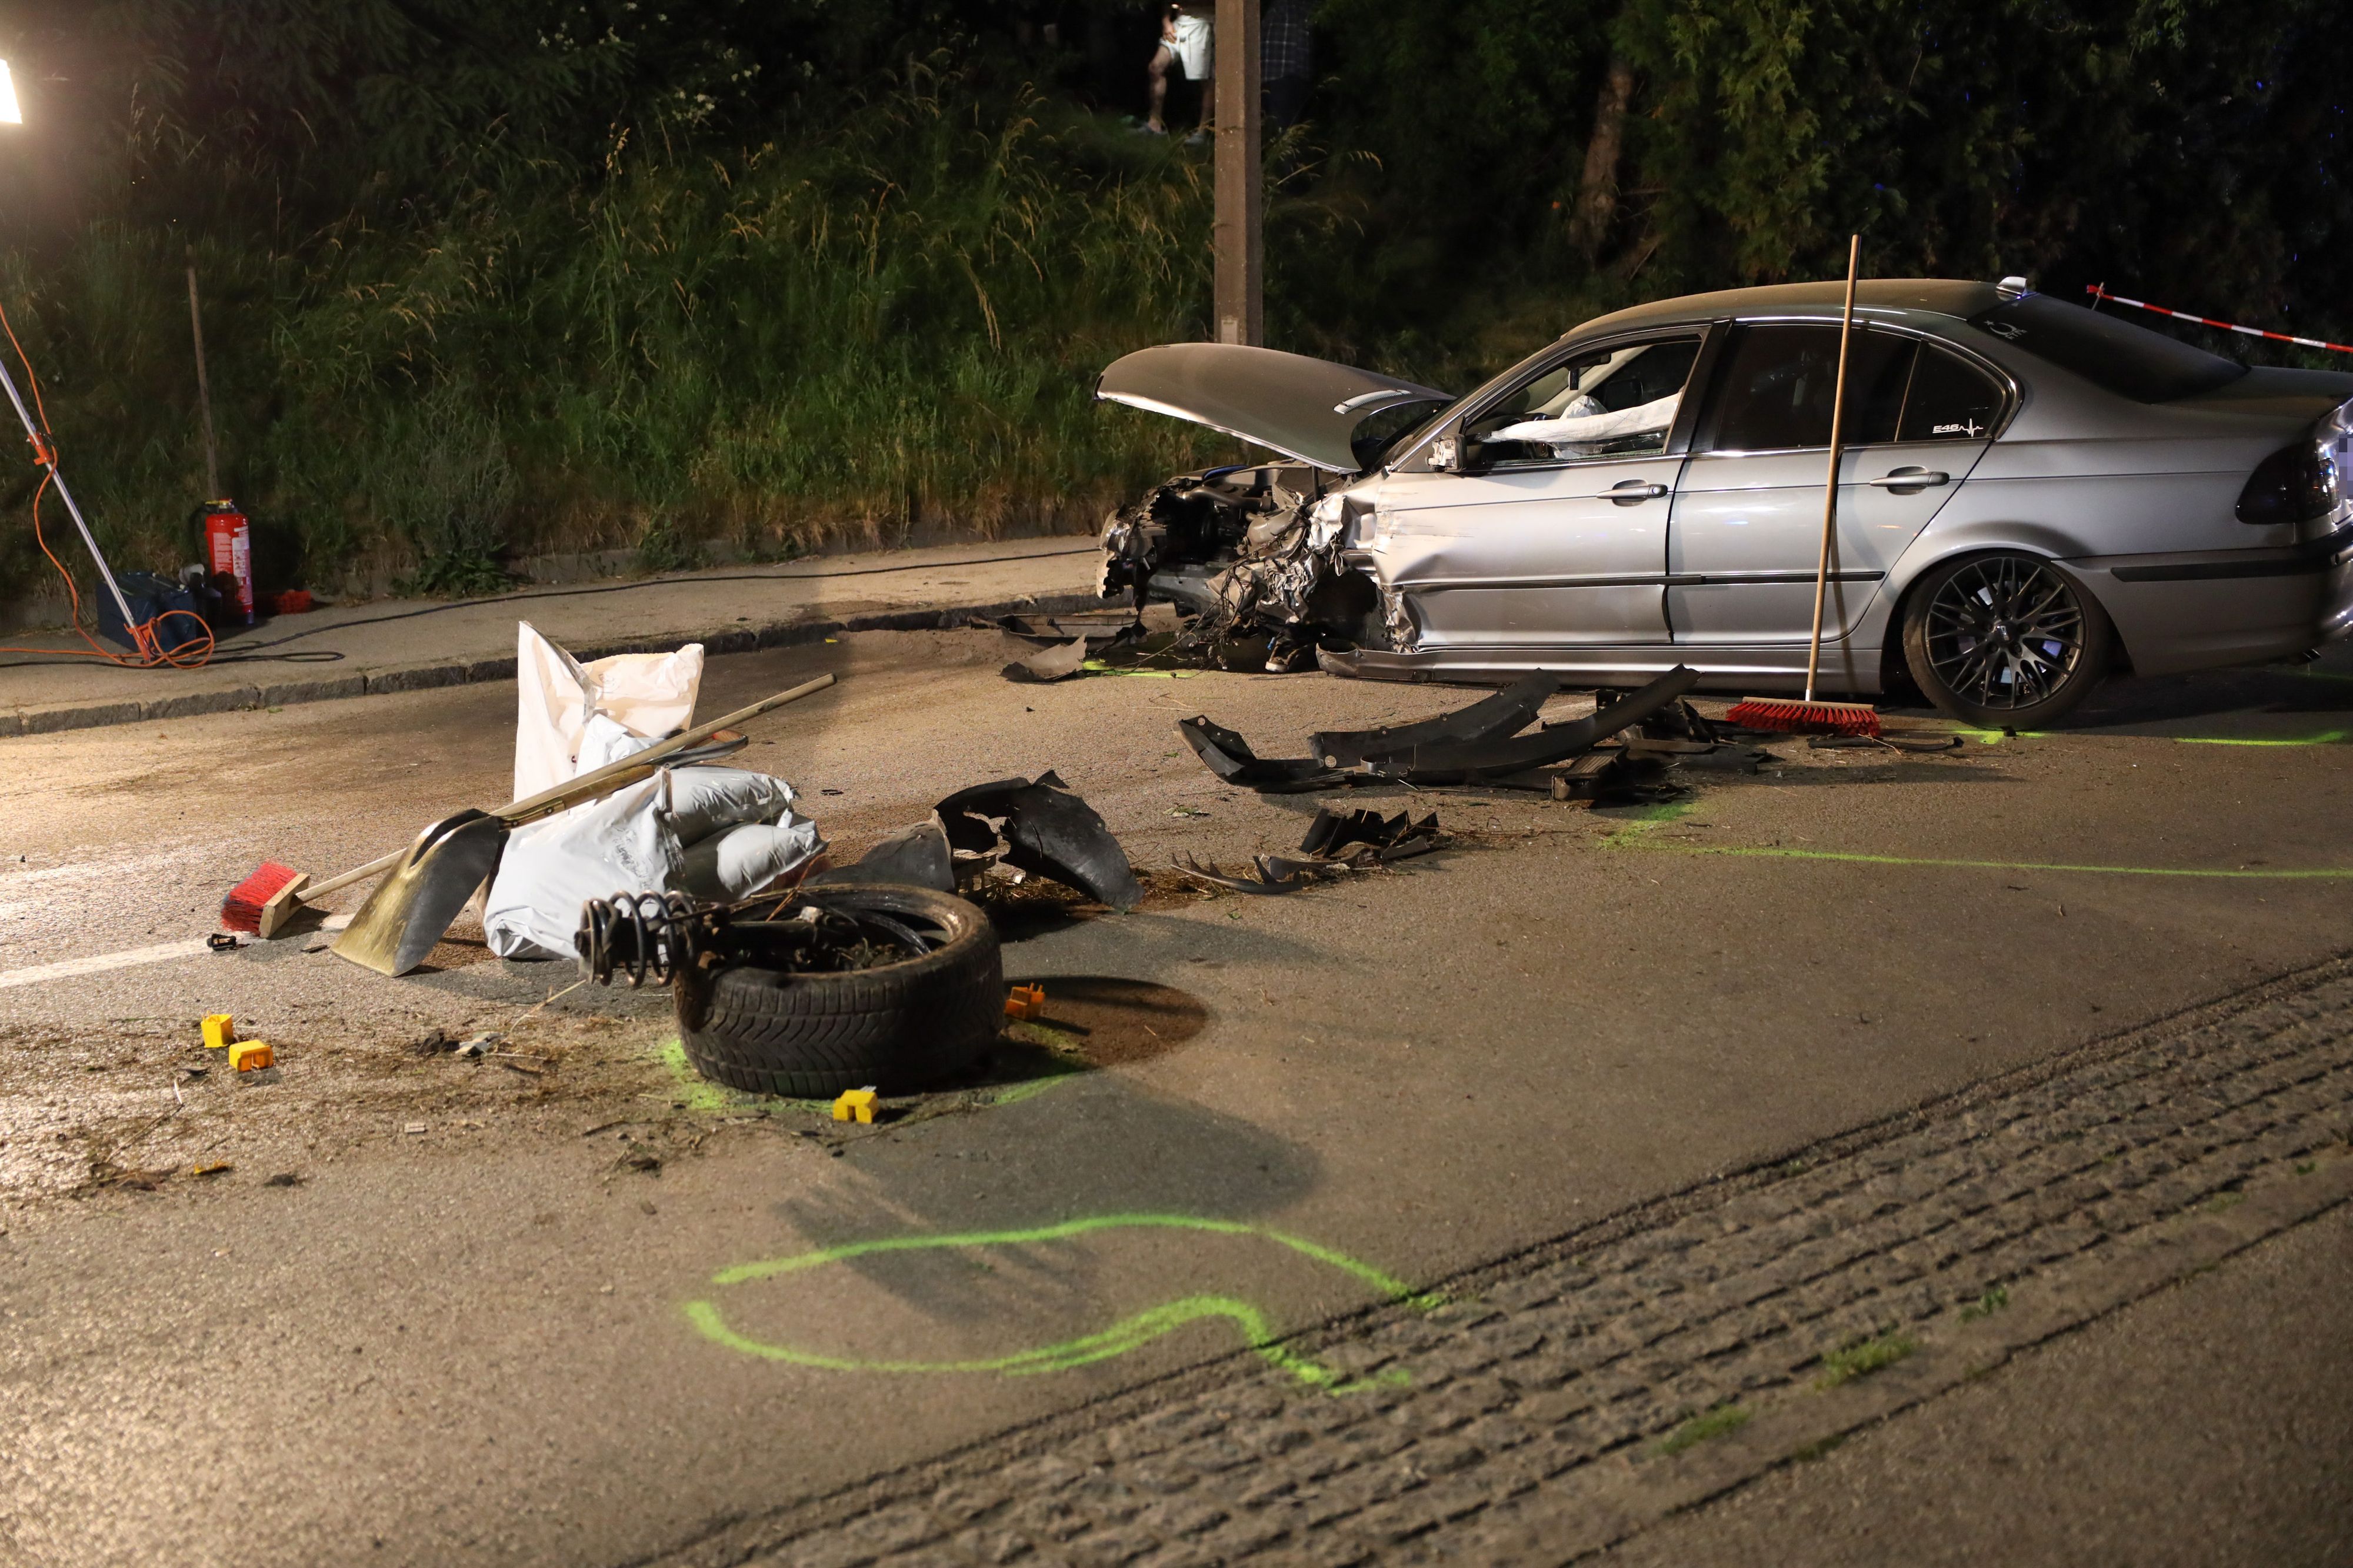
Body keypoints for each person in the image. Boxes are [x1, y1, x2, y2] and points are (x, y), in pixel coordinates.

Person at [1144, 4, 1214, 136]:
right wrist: (1166, 21)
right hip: (1179, 23)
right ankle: (1154, 124)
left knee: (1206, 80)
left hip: (1203, 22)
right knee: (1155, 68)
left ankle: (1203, 131)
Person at [1261, 0, 1312, 134]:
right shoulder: (1279, 7)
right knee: (1277, 128)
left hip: (1286, 73)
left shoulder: (1294, 7)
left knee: (1285, 129)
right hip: (1275, 73)